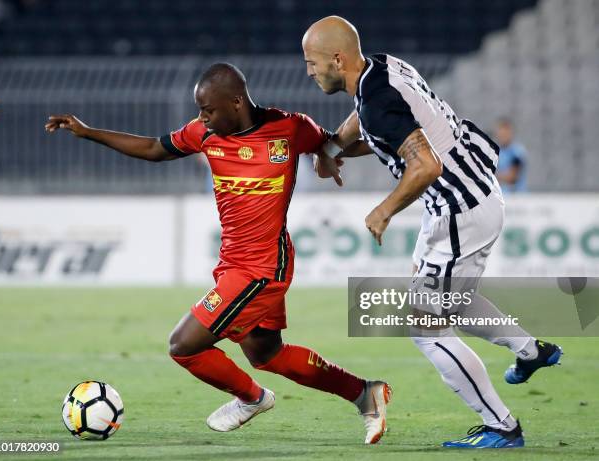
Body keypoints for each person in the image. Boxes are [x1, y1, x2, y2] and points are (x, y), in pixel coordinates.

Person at [45, 62, 391, 444]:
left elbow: (336, 142)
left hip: (262, 268)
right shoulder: (203, 133)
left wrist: (396, 143)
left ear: (237, 102)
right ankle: (365, 393)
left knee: (183, 345)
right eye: (199, 110)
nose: (201, 118)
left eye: (208, 109)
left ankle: (252, 398)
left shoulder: (289, 128)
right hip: (233, 264)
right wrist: (88, 131)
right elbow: (151, 148)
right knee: (267, 355)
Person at [302, 16, 562, 449]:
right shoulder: (382, 67)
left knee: (426, 327)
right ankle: (530, 351)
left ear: (337, 59)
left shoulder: (376, 102)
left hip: (459, 212)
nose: (308, 71)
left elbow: (425, 164)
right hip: (476, 194)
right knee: (449, 301)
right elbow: (369, 123)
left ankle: (502, 426)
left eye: (312, 62)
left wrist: (384, 210)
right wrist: (329, 148)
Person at [494, 117, 528, 193]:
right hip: (501, 197)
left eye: (506, 132)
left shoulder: (517, 151)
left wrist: (493, 176)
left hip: (516, 198)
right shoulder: (495, 151)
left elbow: (512, 177)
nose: (503, 135)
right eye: (501, 132)